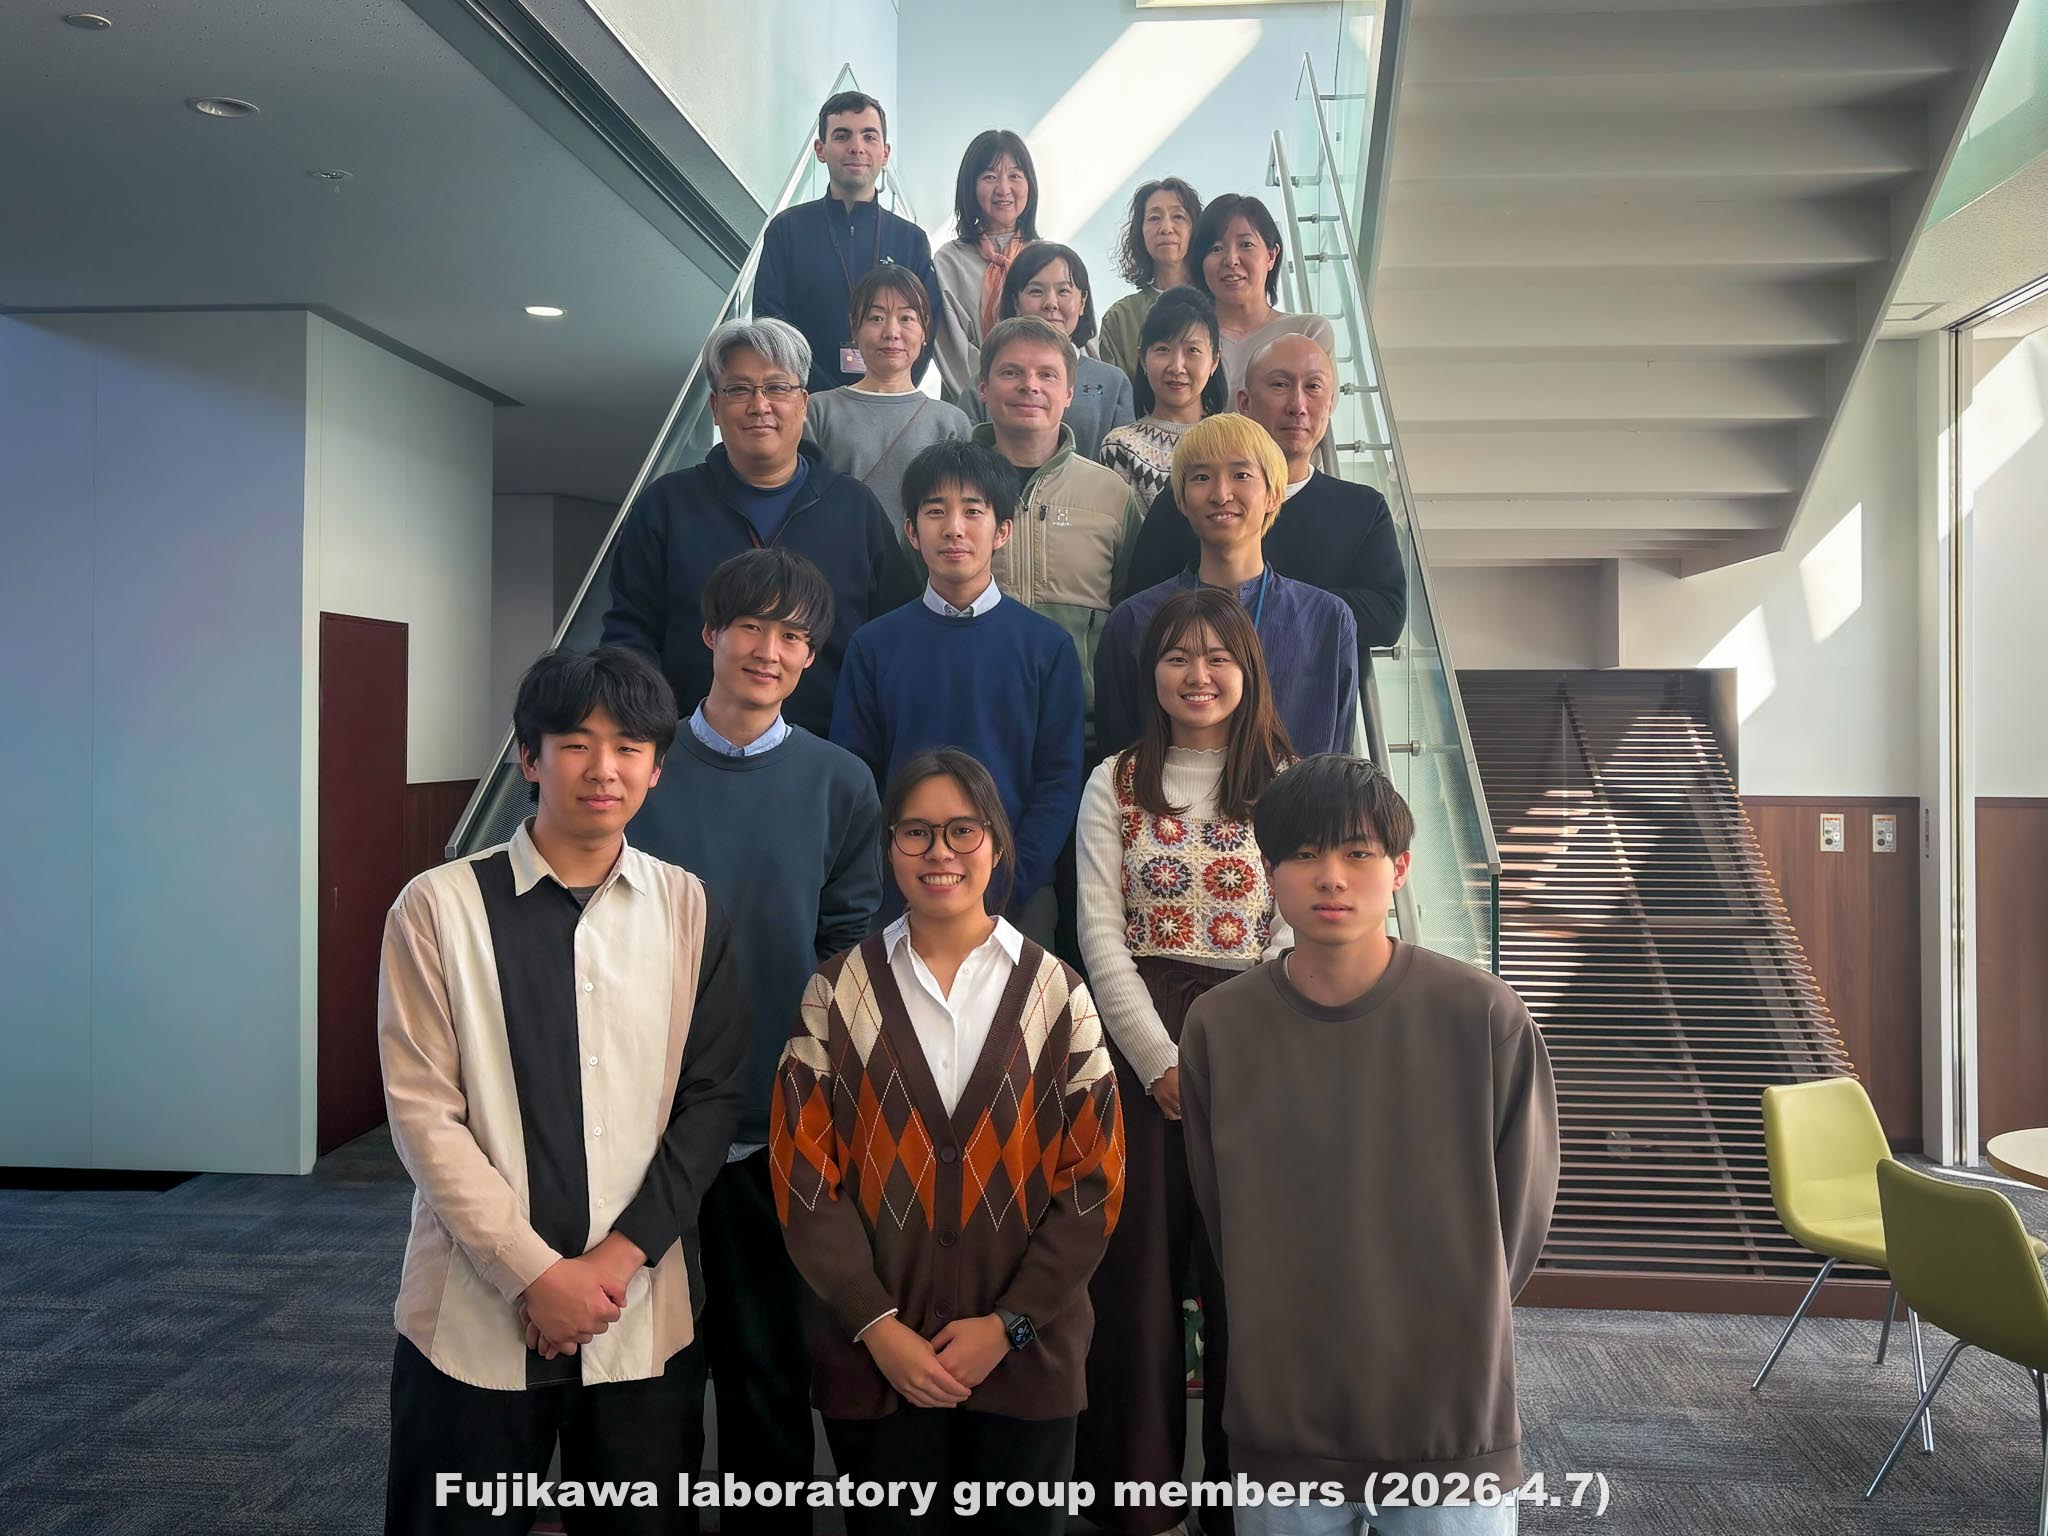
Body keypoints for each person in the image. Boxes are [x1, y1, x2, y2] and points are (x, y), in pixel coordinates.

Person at [379, 645, 748, 1536]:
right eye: (576, 743)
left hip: (640, 1318)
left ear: (657, 769)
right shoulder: (436, 908)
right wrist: (536, 1277)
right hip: (471, 1321)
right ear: (529, 758)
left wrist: (609, 1266)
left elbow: (711, 1104)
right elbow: (425, 1117)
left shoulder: (689, 909)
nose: (603, 768)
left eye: (628, 747)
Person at [1180, 755, 1559, 1536]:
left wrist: (1455, 1312)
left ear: (1401, 869)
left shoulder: (1483, 1015)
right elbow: (1221, 1217)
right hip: (1283, 1422)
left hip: (1448, 1422)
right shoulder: (1220, 1026)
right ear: (1268, 872)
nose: (1332, 877)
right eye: (1305, 853)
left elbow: (1519, 1219)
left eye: (1358, 852)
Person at [771, 748, 1125, 1536]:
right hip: (877, 1368)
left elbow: (1093, 1184)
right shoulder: (837, 993)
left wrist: (1010, 1324)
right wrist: (877, 1325)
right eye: (917, 832)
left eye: (963, 831)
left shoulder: (1059, 995)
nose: (941, 853)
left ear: (996, 843)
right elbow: (803, 1175)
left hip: (1027, 1365)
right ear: (889, 846)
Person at [631, 550, 882, 1536]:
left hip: (778, 1124)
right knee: (644, 1376)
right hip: (644, 1123)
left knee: (767, 1370)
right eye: (750, 627)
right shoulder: (640, 770)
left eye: (792, 635)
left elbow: (848, 941)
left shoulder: (839, 781)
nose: (768, 650)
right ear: (709, 634)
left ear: (810, 655)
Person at [1072, 588, 1295, 1536]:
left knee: (1252, 1278)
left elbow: (1296, 927)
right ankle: (1137, 1496)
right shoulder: (1115, 780)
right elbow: (1099, 933)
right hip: (1138, 1051)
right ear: (1151, 671)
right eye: (1177, 657)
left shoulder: (1287, 781)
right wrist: (1161, 1061)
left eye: (1216, 657)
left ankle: (1245, 1502)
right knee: (1138, 1280)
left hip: (1260, 1043)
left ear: (1248, 671)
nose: (1197, 675)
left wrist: (1234, 1054)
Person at [603, 317, 916, 739]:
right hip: (689, 752)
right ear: (715, 408)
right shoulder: (666, 506)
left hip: (831, 753)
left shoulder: (856, 510)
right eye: (739, 389)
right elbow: (630, 635)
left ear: (803, 403)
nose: (759, 405)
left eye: (776, 388)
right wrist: (655, 738)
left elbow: (893, 637)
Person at [830, 441, 1084, 948]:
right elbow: (855, 776)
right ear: (911, 532)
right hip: (899, 894)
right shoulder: (874, 646)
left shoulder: (1047, 647)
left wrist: (1008, 879)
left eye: (972, 511)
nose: (954, 528)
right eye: (935, 511)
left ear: (1002, 531)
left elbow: (1059, 780)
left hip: (1017, 896)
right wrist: (898, 872)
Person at [1121, 333, 1407, 658]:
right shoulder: (1191, 501)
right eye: (1280, 385)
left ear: (1331, 404)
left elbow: (1387, 617)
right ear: (1245, 403)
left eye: (1313, 387)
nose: (1297, 406)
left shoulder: (1362, 508)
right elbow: (1142, 608)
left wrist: (1268, 598)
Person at [1096, 413, 1358, 759]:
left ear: (1274, 495)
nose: (1221, 494)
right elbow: (1120, 758)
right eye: (1202, 477)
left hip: (1299, 796)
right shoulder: (1135, 620)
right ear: (1181, 500)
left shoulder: (1326, 620)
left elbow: (1337, 760)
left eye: (1241, 475)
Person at [971, 315, 1147, 744]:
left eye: (1046, 375)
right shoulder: (949, 489)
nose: (1029, 386)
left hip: (1083, 733)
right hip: (969, 724)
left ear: (1069, 393)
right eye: (1011, 372)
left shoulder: (1111, 493)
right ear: (983, 388)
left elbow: (1134, 608)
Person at [753, 91, 942, 393]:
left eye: (869, 137)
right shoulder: (787, 230)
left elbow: (926, 329)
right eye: (842, 136)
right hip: (807, 402)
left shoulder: (911, 240)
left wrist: (891, 390)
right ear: (820, 149)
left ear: (885, 152)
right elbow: (771, 325)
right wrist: (815, 396)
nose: (857, 147)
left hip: (887, 400)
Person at [806, 267, 971, 536]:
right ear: (854, 327)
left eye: (907, 318)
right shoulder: (818, 410)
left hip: (924, 561)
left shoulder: (952, 421)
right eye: (876, 318)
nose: (892, 332)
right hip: (835, 557)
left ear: (925, 331)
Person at [959, 241, 1135, 462]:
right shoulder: (985, 383)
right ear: (1015, 302)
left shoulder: (1112, 382)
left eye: (1063, 291)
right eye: (1036, 291)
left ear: (1082, 302)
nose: (1051, 303)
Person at [1191, 193, 1335, 398]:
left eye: (1246, 244)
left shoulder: (1308, 331)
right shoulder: (1186, 337)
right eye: (1216, 248)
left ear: (1271, 255)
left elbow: (1314, 409)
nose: (1231, 260)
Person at [932, 128, 1040, 400]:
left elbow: (1074, 341)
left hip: (1040, 403)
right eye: (990, 177)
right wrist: (995, 395)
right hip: (973, 405)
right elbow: (952, 349)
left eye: (1015, 176)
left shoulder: (1049, 259)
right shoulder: (949, 261)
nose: (1003, 189)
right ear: (970, 186)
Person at [1098, 285, 1229, 506]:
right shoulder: (1121, 446)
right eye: (1163, 349)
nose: (1177, 367)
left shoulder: (1235, 439)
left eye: (1192, 350)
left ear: (1214, 361)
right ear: (1142, 359)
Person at [1098, 177, 1203, 387]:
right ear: (1140, 231)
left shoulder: (1219, 303)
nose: (1166, 228)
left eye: (1178, 216)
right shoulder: (1120, 318)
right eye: (1154, 218)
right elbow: (1116, 395)